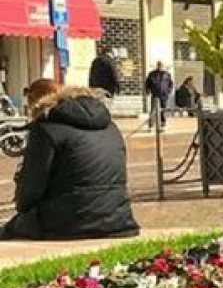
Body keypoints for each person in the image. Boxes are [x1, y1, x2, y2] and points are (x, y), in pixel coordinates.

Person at [2, 79, 138, 241]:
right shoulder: (110, 125)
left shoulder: (46, 127)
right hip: (118, 219)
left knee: (10, 229)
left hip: (68, 221)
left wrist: (24, 210)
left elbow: (32, 186)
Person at [144, 59, 173, 129]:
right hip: (155, 94)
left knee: (163, 109)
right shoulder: (152, 74)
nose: (160, 66)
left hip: (163, 95)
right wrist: (147, 90)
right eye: (159, 65)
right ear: (157, 65)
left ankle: (163, 123)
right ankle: (151, 124)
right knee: (153, 109)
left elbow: (170, 84)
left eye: (161, 65)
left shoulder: (167, 74)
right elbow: (147, 83)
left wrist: (168, 91)